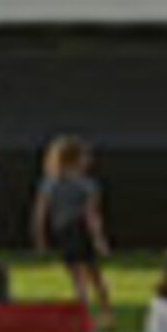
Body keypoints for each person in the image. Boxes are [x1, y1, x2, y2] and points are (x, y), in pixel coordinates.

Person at [36, 135, 113, 318]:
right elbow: (91, 215)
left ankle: (85, 313)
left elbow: (40, 213)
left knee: (77, 277)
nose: (89, 160)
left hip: (63, 231)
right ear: (75, 159)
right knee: (95, 275)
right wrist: (99, 240)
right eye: (85, 156)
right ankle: (105, 313)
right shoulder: (87, 185)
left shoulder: (49, 183)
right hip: (80, 229)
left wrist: (40, 237)